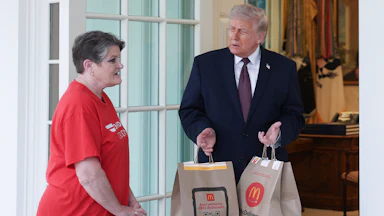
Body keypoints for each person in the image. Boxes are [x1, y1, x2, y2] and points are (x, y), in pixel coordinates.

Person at [179, 4, 304, 183]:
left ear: (260, 37)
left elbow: (295, 114)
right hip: (217, 166)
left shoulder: (284, 68)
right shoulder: (206, 64)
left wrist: (279, 134)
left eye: (242, 31)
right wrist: (202, 129)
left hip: (265, 169)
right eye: (231, 29)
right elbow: (189, 109)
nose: (234, 36)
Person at [37, 31, 147, 216]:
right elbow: (88, 174)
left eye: (118, 59)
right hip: (74, 210)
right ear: (89, 66)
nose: (120, 65)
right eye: (112, 60)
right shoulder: (78, 105)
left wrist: (129, 200)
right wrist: (119, 210)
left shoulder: (101, 98)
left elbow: (111, 162)